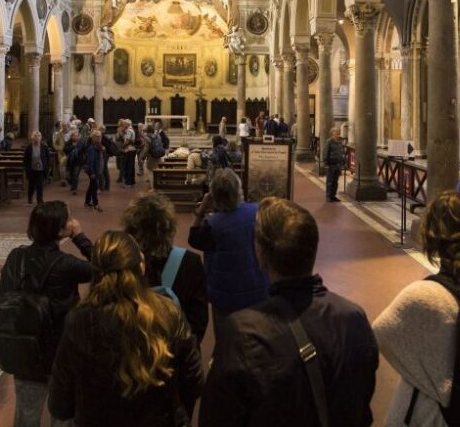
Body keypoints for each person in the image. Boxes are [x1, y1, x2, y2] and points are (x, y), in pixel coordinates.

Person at [199, 197, 379, 426]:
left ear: (261, 256)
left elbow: (217, 416)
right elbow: (363, 398)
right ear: (313, 248)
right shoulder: (355, 318)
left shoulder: (243, 333)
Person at [48, 231, 205, 426]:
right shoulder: (168, 313)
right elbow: (195, 382)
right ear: (141, 266)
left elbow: (59, 403)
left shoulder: (78, 321)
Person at [373, 191, 460, 425]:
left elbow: (377, 336)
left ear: (432, 237)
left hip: (436, 415)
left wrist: (419, 372)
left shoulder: (424, 296)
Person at [0, 202, 93, 427]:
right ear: (60, 230)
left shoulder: (15, 257)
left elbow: (3, 296)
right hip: (59, 349)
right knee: (62, 410)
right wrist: (80, 237)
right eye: (69, 219)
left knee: (26, 410)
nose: (73, 222)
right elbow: (104, 266)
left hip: (24, 344)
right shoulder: (66, 264)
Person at [188, 168, 270, 335]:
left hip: (226, 295)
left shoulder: (213, 225)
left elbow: (194, 239)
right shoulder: (258, 212)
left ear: (213, 196)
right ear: (239, 190)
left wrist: (202, 209)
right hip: (257, 288)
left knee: (226, 341)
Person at [122, 192, 209, 344]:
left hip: (133, 355)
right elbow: (198, 322)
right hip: (177, 357)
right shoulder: (190, 262)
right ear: (169, 228)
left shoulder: (123, 262)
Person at [24, 131, 50, 204]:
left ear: (41, 138)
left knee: (40, 185)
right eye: (35, 136)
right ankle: (30, 197)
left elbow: (48, 158)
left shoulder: (44, 147)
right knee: (31, 185)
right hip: (32, 169)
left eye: (39, 136)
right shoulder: (29, 147)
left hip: (41, 169)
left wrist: (47, 167)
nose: (37, 138)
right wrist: (27, 168)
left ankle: (40, 199)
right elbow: (25, 159)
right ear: (32, 137)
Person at [322, 127, 345, 202]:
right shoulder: (329, 141)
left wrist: (342, 163)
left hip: (338, 165)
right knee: (330, 181)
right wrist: (325, 163)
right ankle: (328, 196)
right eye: (336, 132)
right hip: (331, 164)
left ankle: (333, 195)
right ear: (332, 133)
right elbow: (325, 152)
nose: (338, 133)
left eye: (339, 132)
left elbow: (341, 152)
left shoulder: (340, 142)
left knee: (336, 181)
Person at [84, 130, 104, 212]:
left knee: (92, 185)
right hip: (92, 170)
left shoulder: (97, 146)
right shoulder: (92, 148)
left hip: (95, 169)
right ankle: (96, 204)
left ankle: (87, 201)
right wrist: (92, 172)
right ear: (94, 138)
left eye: (100, 136)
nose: (100, 138)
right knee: (94, 187)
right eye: (98, 137)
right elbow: (90, 161)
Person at [53, 122, 67, 186]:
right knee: (62, 167)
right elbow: (55, 144)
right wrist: (59, 149)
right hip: (61, 153)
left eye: (66, 126)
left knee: (68, 166)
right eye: (63, 126)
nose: (65, 127)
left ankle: (68, 178)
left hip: (69, 152)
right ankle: (63, 180)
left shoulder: (70, 134)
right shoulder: (59, 134)